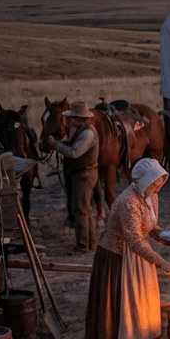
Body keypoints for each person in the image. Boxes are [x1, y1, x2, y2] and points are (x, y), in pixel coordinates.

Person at [84, 158, 170, 339]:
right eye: (153, 182)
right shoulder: (128, 202)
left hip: (139, 257)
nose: (156, 186)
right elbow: (134, 240)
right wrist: (161, 261)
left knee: (143, 307)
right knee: (124, 308)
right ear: (143, 181)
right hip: (117, 258)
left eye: (159, 182)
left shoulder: (151, 197)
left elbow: (149, 228)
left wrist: (164, 236)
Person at [42, 101, 99, 254]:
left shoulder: (87, 133)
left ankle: (82, 246)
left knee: (80, 210)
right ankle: (90, 242)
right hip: (83, 173)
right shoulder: (82, 130)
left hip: (83, 175)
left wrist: (55, 145)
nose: (70, 120)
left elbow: (74, 152)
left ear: (77, 118)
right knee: (85, 209)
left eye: (72, 117)